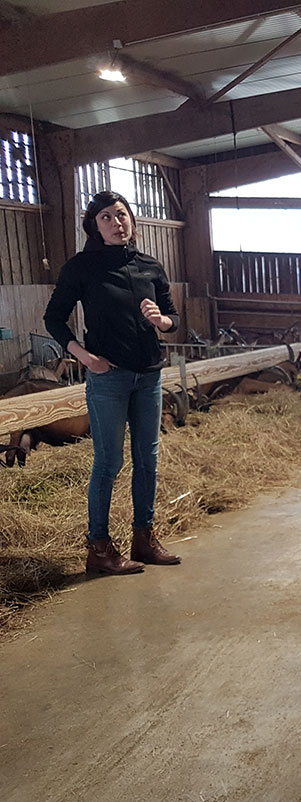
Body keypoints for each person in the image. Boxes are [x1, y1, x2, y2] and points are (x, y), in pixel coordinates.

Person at [43, 190, 182, 575]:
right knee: (108, 462)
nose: (117, 223)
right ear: (94, 226)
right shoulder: (81, 268)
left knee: (147, 460)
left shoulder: (150, 266)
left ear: (132, 221)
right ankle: (100, 548)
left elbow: (173, 319)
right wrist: (83, 355)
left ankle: (144, 538)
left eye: (121, 215)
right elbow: (54, 318)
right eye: (106, 217)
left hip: (149, 375)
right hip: (109, 377)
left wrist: (161, 321)